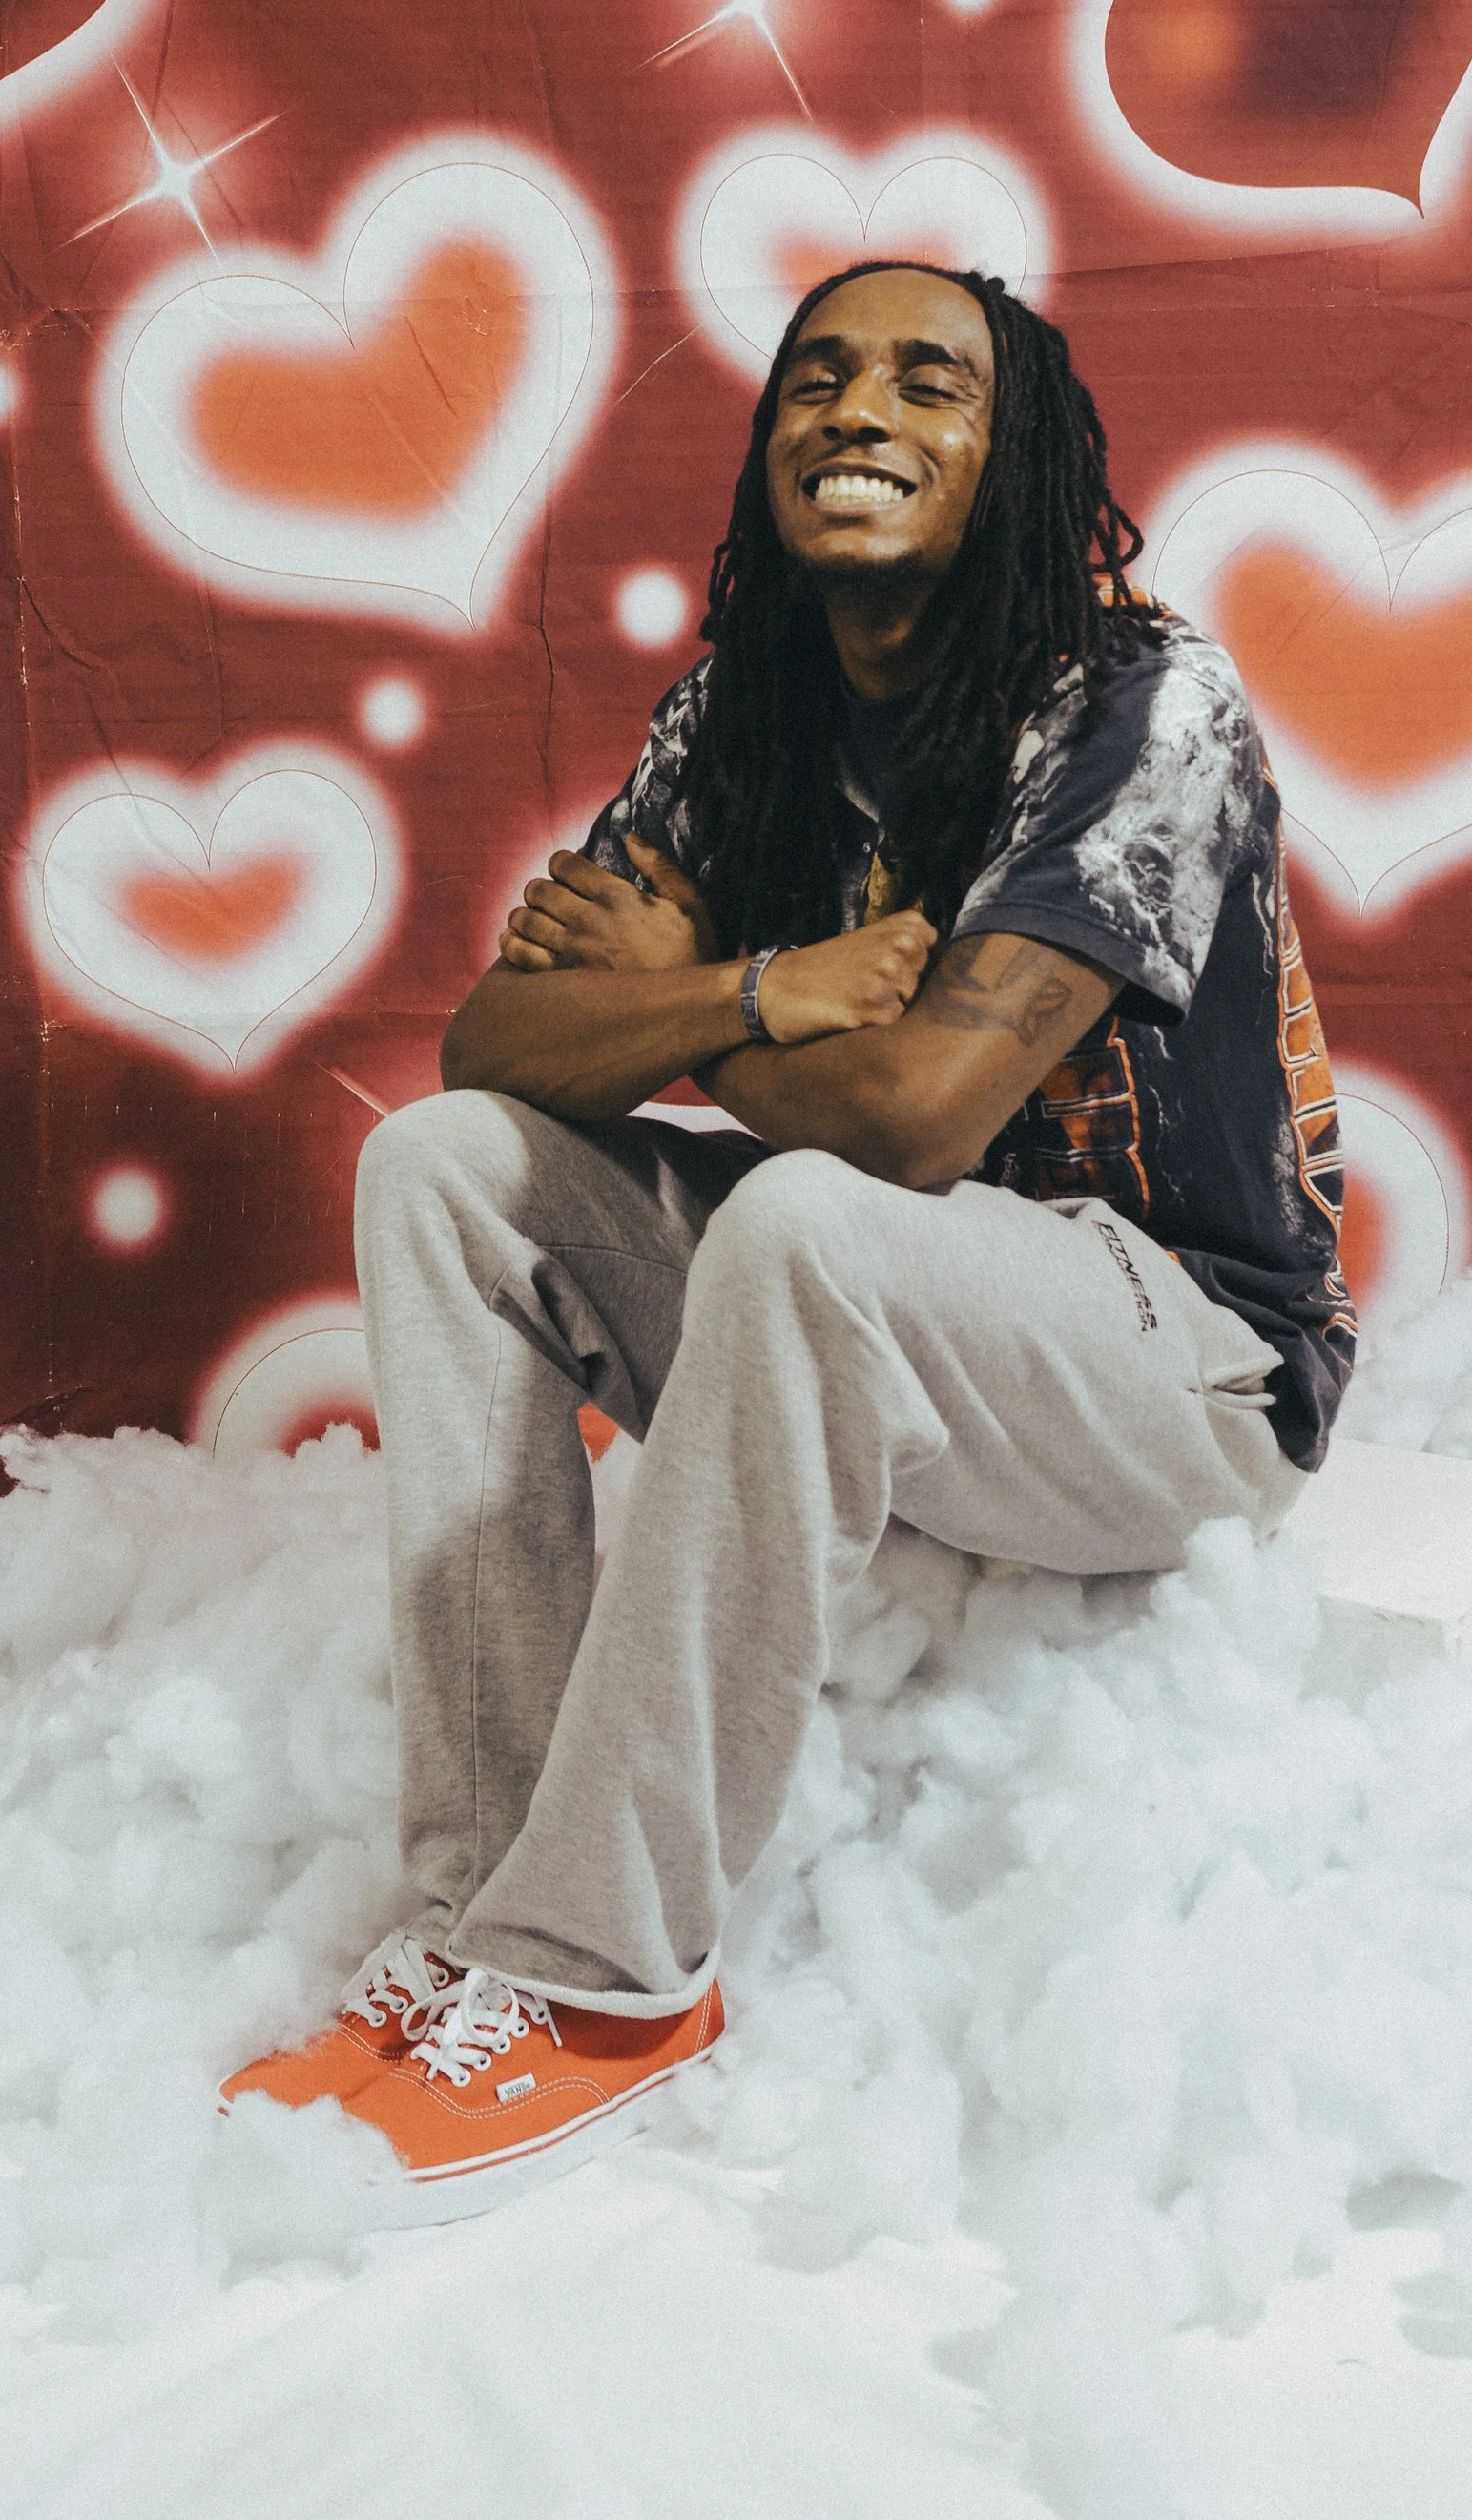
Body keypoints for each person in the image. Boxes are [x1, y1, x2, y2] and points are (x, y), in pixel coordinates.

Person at [223, 261, 1357, 2214]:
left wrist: (688, 1022)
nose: (858, 412)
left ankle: (609, 1982)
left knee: (819, 1213)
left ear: (1017, 465)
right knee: (444, 1168)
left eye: (930, 384)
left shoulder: (1137, 700)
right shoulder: (740, 713)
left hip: (1177, 1362)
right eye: (817, 380)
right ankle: (487, 1903)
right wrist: (763, 989)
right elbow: (498, 1044)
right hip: (875, 1313)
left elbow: (920, 1117)